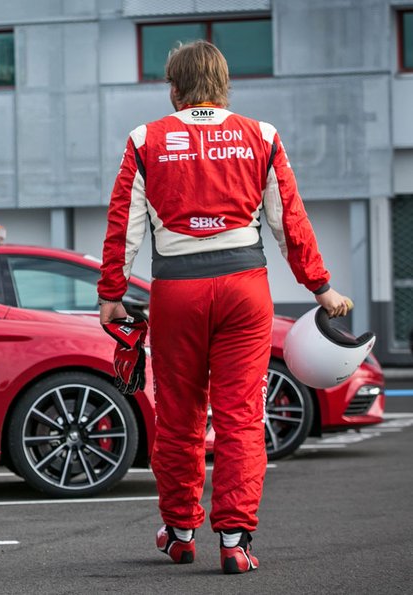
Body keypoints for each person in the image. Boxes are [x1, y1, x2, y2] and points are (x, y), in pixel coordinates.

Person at [96, 40, 351, 575]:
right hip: (245, 288)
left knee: (179, 418)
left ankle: (181, 530)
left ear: (174, 88)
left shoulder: (146, 139)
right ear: (224, 83)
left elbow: (125, 227)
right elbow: (290, 222)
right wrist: (320, 288)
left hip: (177, 292)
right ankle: (234, 540)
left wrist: (111, 296)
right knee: (240, 418)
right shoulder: (262, 136)